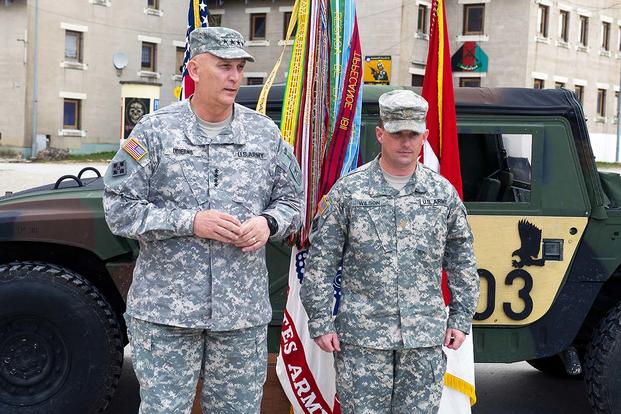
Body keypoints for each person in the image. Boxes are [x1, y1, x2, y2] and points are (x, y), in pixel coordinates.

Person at [103, 27, 302, 414]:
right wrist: (190, 221)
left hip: (239, 314)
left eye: (240, 68)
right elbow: (119, 208)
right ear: (194, 69)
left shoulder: (263, 134)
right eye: (224, 66)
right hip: (167, 314)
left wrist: (268, 223)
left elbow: (292, 199)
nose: (234, 77)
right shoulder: (155, 132)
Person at [300, 90, 479, 413]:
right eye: (398, 134)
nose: (406, 143)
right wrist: (321, 321)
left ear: (425, 136)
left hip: (423, 338)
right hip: (363, 339)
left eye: (413, 134)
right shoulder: (349, 192)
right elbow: (321, 262)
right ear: (380, 134)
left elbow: (462, 260)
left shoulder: (442, 194)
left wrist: (461, 318)